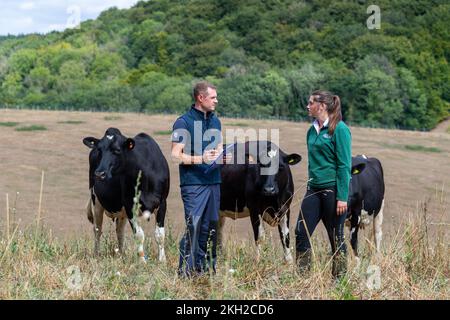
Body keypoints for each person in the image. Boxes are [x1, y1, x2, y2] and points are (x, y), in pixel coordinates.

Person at [171, 81, 229, 277]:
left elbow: (219, 147)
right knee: (194, 225)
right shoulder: (183, 122)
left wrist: (223, 156)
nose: (216, 101)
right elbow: (175, 155)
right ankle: (185, 272)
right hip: (193, 183)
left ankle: (206, 270)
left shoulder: (216, 121)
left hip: (214, 181)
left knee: (211, 225)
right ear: (200, 98)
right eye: (213, 97)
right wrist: (201, 159)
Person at [295, 90, 352, 278]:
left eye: (311, 102)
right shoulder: (311, 130)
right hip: (313, 189)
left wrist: (342, 197)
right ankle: (303, 277)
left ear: (322, 106)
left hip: (333, 191)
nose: (308, 106)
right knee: (300, 232)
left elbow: (344, 165)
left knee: (336, 237)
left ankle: (339, 279)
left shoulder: (340, 129)